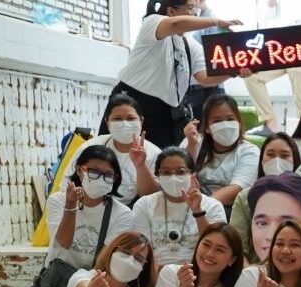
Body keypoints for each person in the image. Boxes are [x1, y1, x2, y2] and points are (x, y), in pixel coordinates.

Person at [20, 147, 137, 287]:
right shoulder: (58, 200)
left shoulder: (122, 214)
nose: (100, 178)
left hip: (94, 282)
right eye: (94, 171)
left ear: (115, 179)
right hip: (56, 281)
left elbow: (106, 259)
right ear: (80, 170)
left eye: (108, 174)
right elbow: (63, 242)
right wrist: (71, 206)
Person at [112, 2, 240, 149]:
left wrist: (233, 72)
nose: (195, 13)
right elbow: (177, 23)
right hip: (132, 103)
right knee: (116, 153)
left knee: (160, 158)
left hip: (166, 113)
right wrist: (216, 21)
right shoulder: (152, 22)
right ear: (171, 11)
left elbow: (204, 78)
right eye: (190, 8)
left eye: (196, 9)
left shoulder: (189, 44)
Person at [132, 149, 227, 272]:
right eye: (166, 172)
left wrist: (198, 211)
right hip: (153, 273)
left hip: (198, 272)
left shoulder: (213, 206)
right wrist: (160, 275)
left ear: (192, 174)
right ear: (158, 176)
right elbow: (141, 249)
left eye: (180, 172)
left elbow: (215, 246)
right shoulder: (144, 204)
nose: (173, 177)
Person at [83, 94, 163, 205]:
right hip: (91, 205)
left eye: (131, 118)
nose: (125, 124)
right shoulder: (92, 146)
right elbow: (69, 182)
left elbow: (152, 198)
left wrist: (140, 166)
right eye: (117, 119)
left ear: (141, 121)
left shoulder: (155, 154)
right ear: (107, 122)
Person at [226, 135, 301, 242]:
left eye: (284, 155)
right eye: (271, 155)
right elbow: (238, 244)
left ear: (295, 160)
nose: (277, 160)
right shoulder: (244, 197)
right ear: (262, 160)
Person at [186, 93, 257, 210]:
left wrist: (200, 207)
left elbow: (235, 190)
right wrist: (191, 146)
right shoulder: (193, 141)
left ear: (239, 122)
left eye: (230, 119)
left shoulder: (249, 152)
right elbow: (180, 175)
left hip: (223, 212)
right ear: (207, 127)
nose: (225, 125)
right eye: (217, 121)